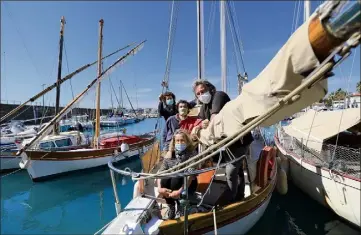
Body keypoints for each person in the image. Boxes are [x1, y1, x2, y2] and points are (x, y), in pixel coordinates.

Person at [192, 79, 253, 202]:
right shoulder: (204, 107)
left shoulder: (218, 96)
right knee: (236, 169)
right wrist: (198, 126)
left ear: (209, 88)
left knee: (231, 171)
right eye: (198, 94)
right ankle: (239, 193)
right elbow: (200, 121)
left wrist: (206, 126)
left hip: (238, 141)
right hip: (226, 143)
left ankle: (232, 197)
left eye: (202, 91)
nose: (201, 95)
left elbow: (214, 118)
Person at [157, 129, 198, 219]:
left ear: (187, 142)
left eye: (182, 140)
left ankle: (180, 206)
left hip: (188, 185)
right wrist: (160, 189)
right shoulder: (170, 154)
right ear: (174, 142)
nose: (180, 143)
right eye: (177, 141)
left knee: (176, 177)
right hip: (173, 186)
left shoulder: (192, 154)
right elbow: (160, 172)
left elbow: (190, 176)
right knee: (165, 179)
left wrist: (180, 191)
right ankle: (171, 205)